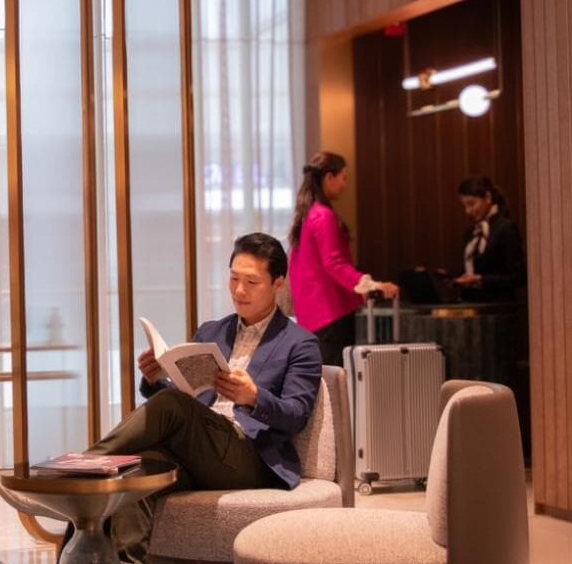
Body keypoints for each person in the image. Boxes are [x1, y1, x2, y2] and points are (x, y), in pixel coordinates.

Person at [78, 232, 323, 563]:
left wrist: (254, 397)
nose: (239, 290)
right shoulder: (212, 331)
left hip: (249, 457)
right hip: (199, 451)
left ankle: (82, 465)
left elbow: (297, 414)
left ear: (278, 283)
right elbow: (185, 398)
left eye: (251, 282)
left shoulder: (300, 343)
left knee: (174, 407)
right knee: (132, 473)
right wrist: (156, 379)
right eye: (234, 278)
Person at [287, 152, 398, 365]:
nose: (345, 184)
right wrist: (370, 284)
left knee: (321, 375)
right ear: (329, 177)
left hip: (311, 314)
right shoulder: (323, 215)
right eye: (343, 177)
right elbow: (334, 263)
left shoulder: (306, 214)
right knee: (335, 376)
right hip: (330, 311)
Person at [453, 175, 526, 302]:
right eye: (464, 206)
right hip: (472, 304)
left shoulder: (505, 228)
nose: (468, 211)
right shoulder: (472, 231)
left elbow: (519, 277)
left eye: (471, 204)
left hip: (498, 306)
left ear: (487, 197)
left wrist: (482, 280)